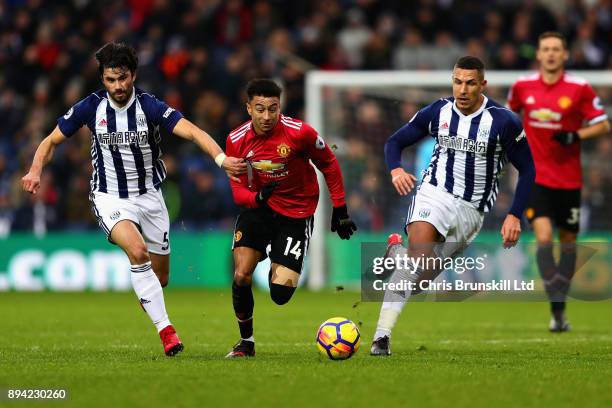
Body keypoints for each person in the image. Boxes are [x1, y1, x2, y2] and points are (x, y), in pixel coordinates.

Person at [21, 42, 246, 356]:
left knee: (161, 278)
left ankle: (148, 294)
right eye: (111, 80)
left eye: (123, 78)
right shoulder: (90, 107)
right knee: (137, 252)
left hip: (151, 197)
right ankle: (167, 331)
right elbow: (50, 141)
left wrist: (222, 161)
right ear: (102, 79)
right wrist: (34, 170)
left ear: (133, 75)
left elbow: (193, 132)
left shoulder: (149, 106)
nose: (118, 86)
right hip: (109, 197)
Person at [370, 56, 536, 356]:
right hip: (434, 194)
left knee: (419, 282)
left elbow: (528, 170)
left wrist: (514, 214)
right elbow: (394, 142)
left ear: (482, 84)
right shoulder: (438, 111)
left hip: (472, 212)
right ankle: (381, 337)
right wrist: (395, 169)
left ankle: (396, 251)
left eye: (470, 82)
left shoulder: (503, 121)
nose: (462, 88)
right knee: (417, 261)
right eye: (458, 81)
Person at [224, 79, 356, 358]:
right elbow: (237, 189)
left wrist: (340, 208)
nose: (267, 116)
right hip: (258, 209)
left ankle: (276, 255)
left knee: (280, 295)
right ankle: (246, 342)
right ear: (249, 108)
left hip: (296, 213)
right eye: (260, 109)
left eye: (273, 109)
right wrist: (256, 199)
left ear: (279, 107)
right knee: (241, 274)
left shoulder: (300, 133)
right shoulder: (236, 140)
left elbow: (329, 163)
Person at [507, 32, 610, 332]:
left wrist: (575, 135)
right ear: (538, 55)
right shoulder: (522, 87)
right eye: (545, 49)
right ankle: (556, 293)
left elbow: (603, 124)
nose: (551, 54)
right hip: (534, 176)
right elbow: (508, 118)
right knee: (543, 238)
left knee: (567, 243)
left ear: (565, 55)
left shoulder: (580, 88)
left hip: (569, 180)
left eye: (556, 49)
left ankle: (558, 310)